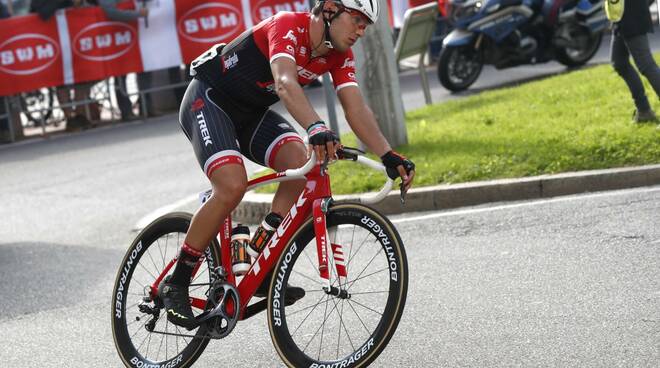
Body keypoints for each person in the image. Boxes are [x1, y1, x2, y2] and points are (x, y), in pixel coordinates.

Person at [159, 0, 416, 329]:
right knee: (232, 185)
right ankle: (176, 283)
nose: (361, 30)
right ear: (329, 10)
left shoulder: (338, 55)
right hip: (208, 100)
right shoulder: (287, 26)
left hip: (250, 114)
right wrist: (316, 127)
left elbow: (356, 108)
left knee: (302, 163)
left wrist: (387, 154)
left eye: (366, 24)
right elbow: (284, 82)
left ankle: (257, 257)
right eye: (356, 19)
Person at [609, 0, 660, 123]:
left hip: (630, 16)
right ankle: (644, 111)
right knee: (619, 62)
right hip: (622, 16)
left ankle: (644, 111)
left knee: (646, 65)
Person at [97, 0, 147, 121]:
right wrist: (137, 14)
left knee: (144, 68)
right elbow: (111, 11)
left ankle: (145, 105)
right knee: (120, 75)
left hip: (136, 34)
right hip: (116, 37)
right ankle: (126, 110)